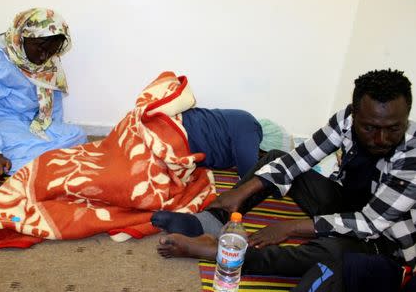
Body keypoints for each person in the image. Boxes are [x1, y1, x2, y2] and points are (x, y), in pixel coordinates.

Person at [153, 69, 416, 278]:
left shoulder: (412, 155)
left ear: (406, 117)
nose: (381, 138)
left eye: (394, 128)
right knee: (276, 159)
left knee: (333, 254)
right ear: (356, 113)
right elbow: (299, 159)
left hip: (384, 238)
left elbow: (369, 224)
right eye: (369, 127)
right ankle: (209, 222)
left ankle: (222, 253)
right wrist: (241, 191)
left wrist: (291, 227)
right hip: (345, 203)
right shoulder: (346, 119)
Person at [0, 8, 87, 189]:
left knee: (77, 136)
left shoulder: (48, 60)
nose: (43, 57)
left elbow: (53, 101)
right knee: (31, 153)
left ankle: (11, 168)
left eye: (51, 52)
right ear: (21, 37)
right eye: (40, 48)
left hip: (30, 122)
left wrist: (51, 129)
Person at [182, 108, 263, 179]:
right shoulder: (250, 124)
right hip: (185, 130)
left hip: (186, 135)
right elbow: (249, 172)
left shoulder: (238, 122)